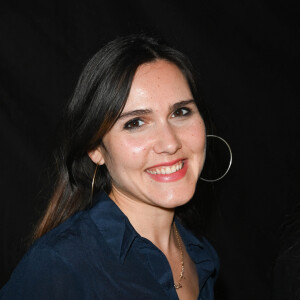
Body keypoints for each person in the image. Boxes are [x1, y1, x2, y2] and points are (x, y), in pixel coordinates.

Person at [0, 33, 219, 300]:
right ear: (95, 148)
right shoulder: (60, 265)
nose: (170, 143)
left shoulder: (200, 254)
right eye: (135, 123)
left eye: (180, 112)